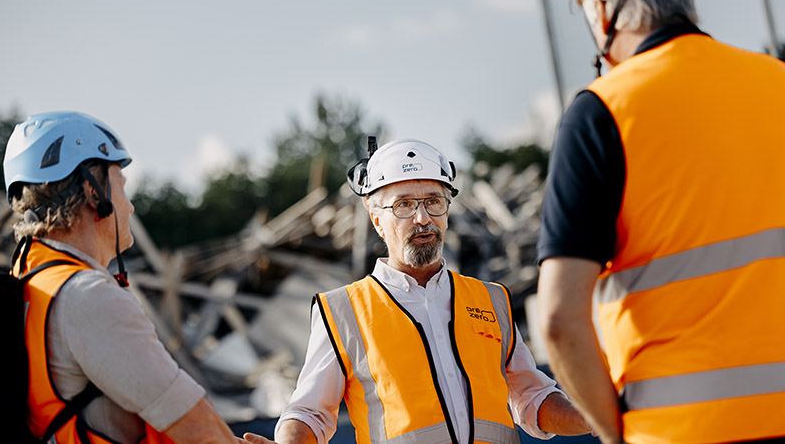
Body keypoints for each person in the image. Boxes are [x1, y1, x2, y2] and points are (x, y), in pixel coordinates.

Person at [535, 0, 785, 443]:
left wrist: (616, 434)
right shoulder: (778, 81)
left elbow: (559, 319)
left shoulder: (602, 113)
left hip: (680, 430)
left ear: (603, 8)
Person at [243, 138, 592, 444]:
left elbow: (533, 397)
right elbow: (309, 414)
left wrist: (597, 418)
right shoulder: (344, 311)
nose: (422, 218)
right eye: (404, 205)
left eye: (433, 202)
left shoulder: (491, 299)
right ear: (376, 217)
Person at [3, 111, 239, 443]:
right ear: (92, 189)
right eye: (121, 185)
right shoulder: (87, 297)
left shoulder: (31, 281)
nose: (129, 207)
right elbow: (199, 429)